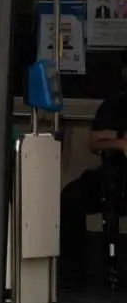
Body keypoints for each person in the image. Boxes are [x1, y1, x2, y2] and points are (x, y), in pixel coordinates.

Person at [60, 49, 127, 288]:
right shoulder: (116, 105)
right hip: (116, 175)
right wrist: (120, 144)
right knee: (70, 198)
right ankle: (73, 276)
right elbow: (95, 142)